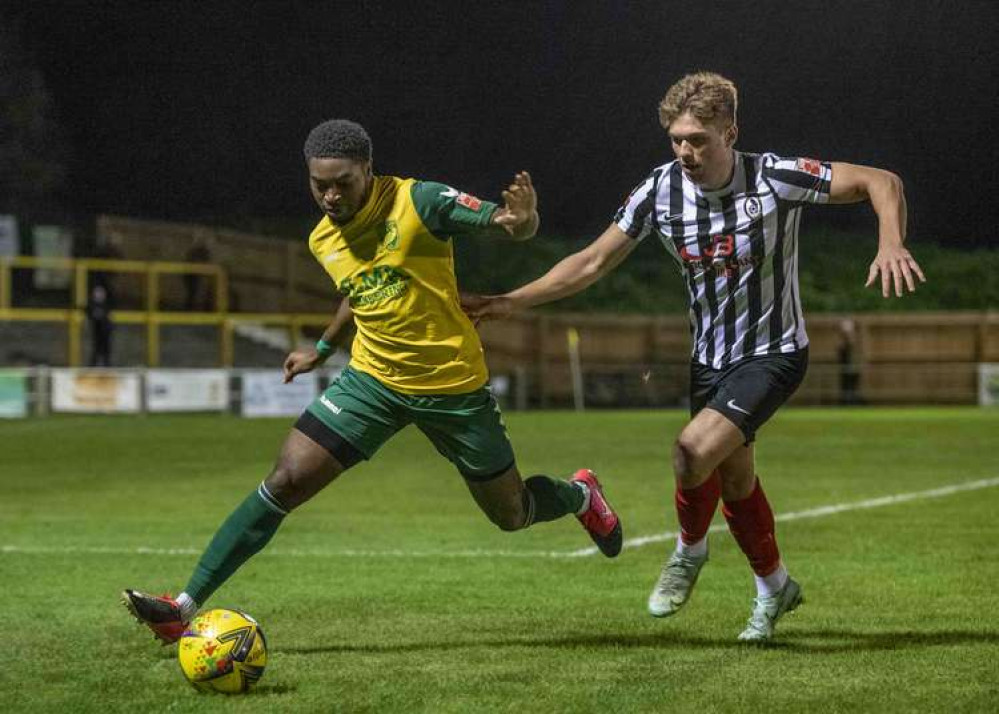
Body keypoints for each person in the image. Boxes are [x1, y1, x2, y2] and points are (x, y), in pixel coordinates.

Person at [463, 72, 925, 641]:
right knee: (734, 481)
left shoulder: (774, 177)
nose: (686, 150)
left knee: (690, 452)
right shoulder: (658, 190)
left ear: (731, 131)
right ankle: (774, 588)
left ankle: (687, 551)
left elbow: (882, 182)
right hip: (709, 360)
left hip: (773, 352)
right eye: (677, 138)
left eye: (699, 139)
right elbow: (591, 262)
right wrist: (512, 302)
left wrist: (890, 241)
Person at [122, 119, 622, 644]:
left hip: (451, 385)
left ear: (368, 170)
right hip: (372, 382)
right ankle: (183, 606)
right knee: (286, 479)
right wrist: (320, 350)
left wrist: (524, 218)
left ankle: (579, 496)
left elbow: (509, 224)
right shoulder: (322, 237)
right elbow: (357, 290)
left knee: (512, 513)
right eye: (320, 185)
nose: (331, 196)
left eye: (343, 182)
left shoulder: (420, 202)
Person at [85, 284, 113, 366]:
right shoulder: (91, 305)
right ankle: (93, 366)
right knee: (96, 350)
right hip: (97, 331)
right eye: (97, 293)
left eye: (101, 293)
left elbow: (108, 317)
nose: (99, 295)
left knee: (106, 350)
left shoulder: (107, 305)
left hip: (106, 332)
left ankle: (106, 365)